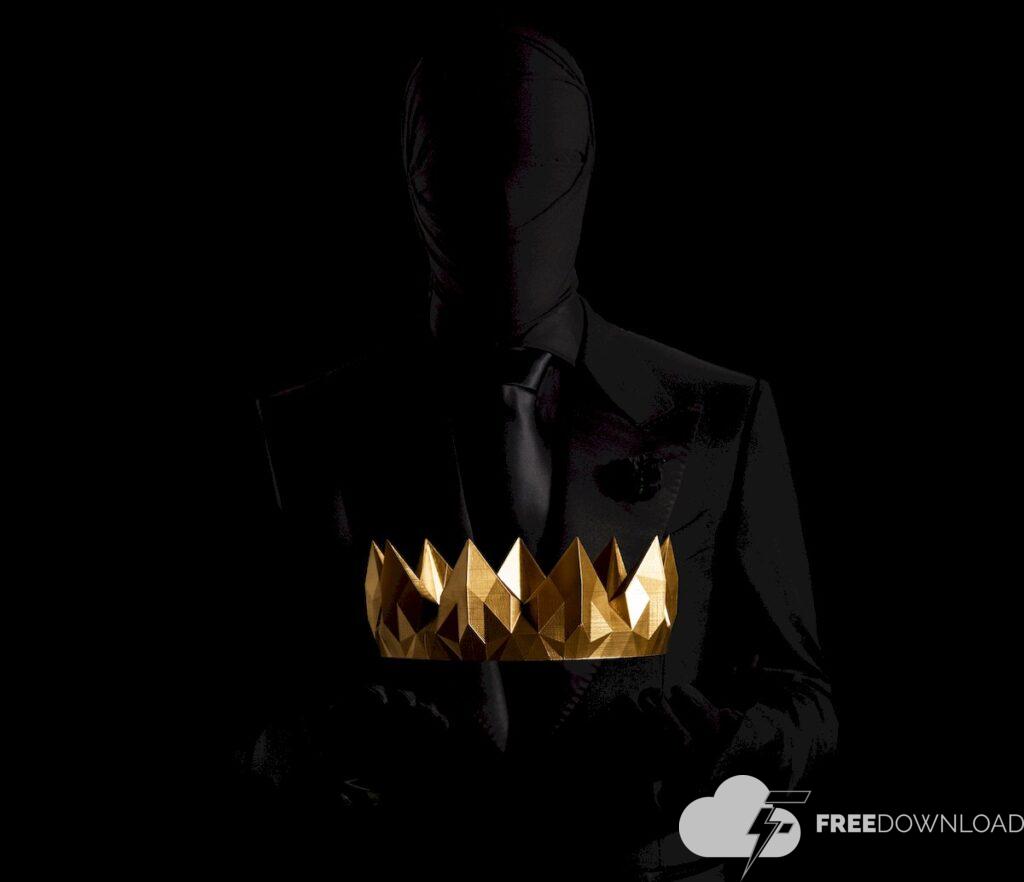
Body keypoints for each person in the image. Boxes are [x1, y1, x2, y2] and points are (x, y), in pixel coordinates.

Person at [232, 26, 837, 880]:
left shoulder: (717, 416)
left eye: (533, 165)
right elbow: (246, 704)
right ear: (416, 172)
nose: (505, 203)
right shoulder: (306, 433)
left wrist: (725, 740)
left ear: (581, 168)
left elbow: (803, 694)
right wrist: (308, 752)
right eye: (466, 165)